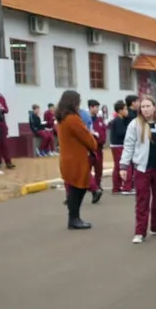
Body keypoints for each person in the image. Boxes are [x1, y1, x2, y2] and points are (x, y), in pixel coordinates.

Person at [119, 96, 156, 244]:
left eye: (148, 106)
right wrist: (124, 165)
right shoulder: (135, 124)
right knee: (142, 201)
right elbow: (128, 145)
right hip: (142, 169)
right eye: (142, 107)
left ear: (154, 107)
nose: (145, 109)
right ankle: (140, 232)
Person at [56, 90, 97, 230]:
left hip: (68, 158)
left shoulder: (62, 118)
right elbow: (87, 138)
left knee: (75, 188)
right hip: (76, 159)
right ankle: (74, 219)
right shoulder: (72, 118)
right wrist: (93, 142)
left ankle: (74, 218)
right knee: (77, 189)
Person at [109, 101, 131, 194]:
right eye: (125, 109)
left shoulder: (122, 120)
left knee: (118, 166)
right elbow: (120, 133)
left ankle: (117, 187)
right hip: (118, 145)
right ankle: (122, 187)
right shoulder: (117, 120)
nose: (127, 111)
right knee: (121, 165)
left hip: (118, 145)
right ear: (120, 110)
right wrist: (129, 130)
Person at [88, 99, 107, 202]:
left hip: (99, 148)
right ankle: (91, 186)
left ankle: (97, 185)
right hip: (89, 149)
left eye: (98, 107)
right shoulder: (86, 119)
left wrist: (100, 139)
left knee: (99, 168)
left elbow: (103, 133)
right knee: (87, 169)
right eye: (96, 107)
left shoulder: (99, 120)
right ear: (91, 107)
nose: (97, 109)